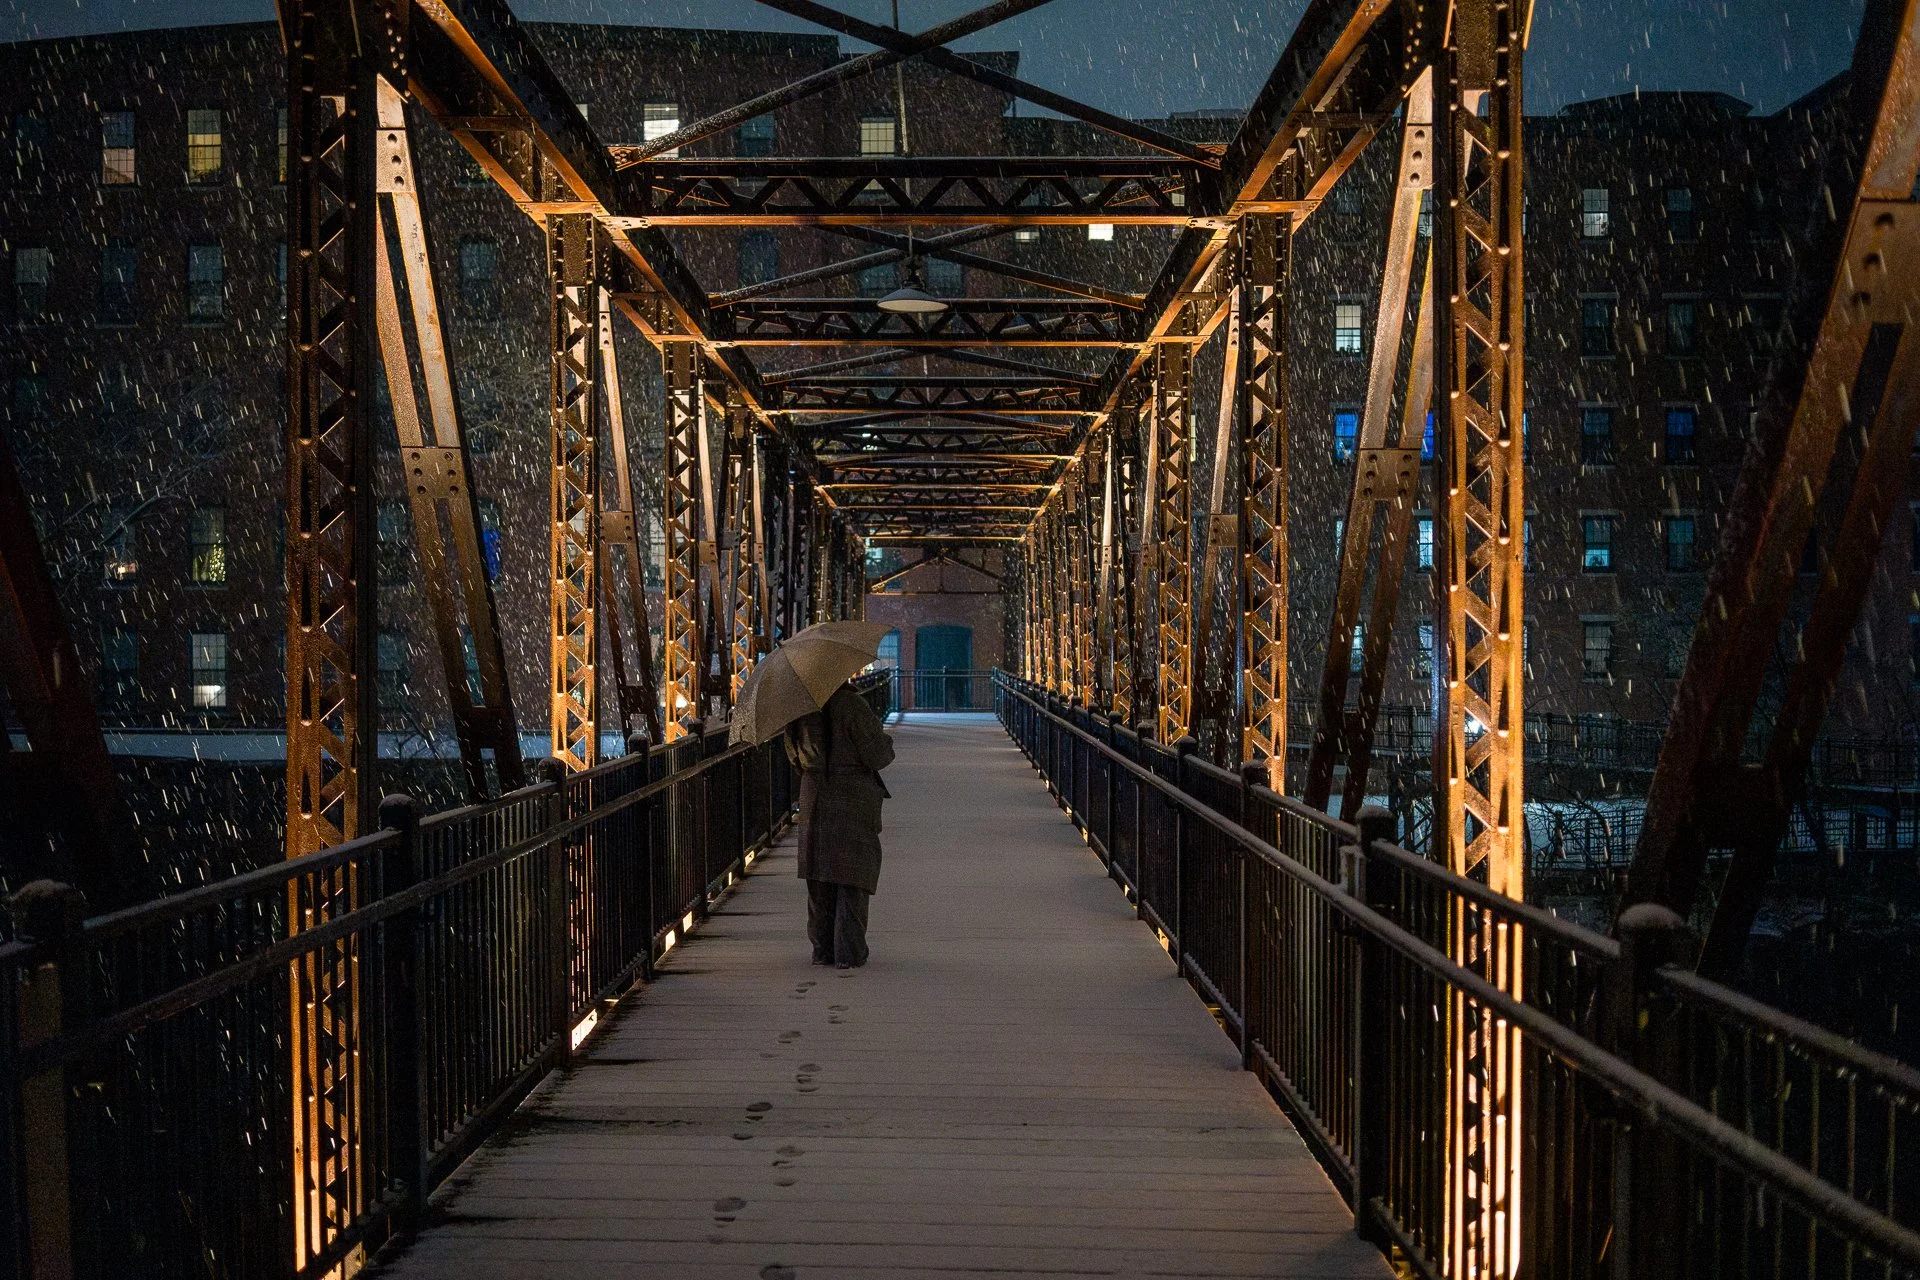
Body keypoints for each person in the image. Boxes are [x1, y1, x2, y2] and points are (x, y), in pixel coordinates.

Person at [785, 680, 895, 968]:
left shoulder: (798, 709)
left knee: (819, 874)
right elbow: (878, 756)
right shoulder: (852, 705)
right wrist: (885, 742)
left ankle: (821, 950)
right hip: (851, 796)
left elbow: (794, 756)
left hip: (814, 797)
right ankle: (849, 951)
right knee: (852, 874)